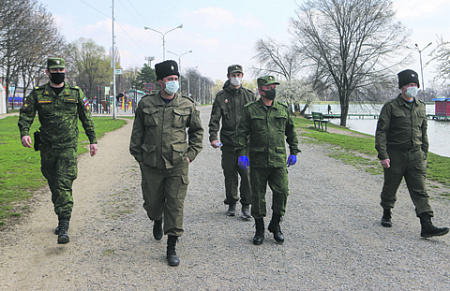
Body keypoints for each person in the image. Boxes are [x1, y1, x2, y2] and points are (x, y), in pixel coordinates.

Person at [129, 60, 204, 266]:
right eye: (169, 79)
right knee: (152, 204)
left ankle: (171, 246)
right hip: (151, 164)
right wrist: (140, 158)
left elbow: (197, 132)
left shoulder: (187, 105)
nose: (174, 82)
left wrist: (190, 154)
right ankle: (156, 218)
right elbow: (138, 133)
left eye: (176, 79)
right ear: (160, 82)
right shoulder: (146, 104)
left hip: (177, 164)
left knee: (175, 204)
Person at [18, 58, 98, 244]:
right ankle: (61, 215)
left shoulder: (75, 93)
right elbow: (26, 114)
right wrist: (24, 133)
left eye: (61, 69)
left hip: (68, 147)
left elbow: (86, 118)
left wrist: (93, 140)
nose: (58, 72)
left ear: (65, 71)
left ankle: (64, 224)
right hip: (47, 147)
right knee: (54, 183)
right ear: (48, 72)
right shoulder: (38, 93)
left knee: (63, 183)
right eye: (54, 69)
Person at [375, 69, 449, 238]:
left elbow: (423, 133)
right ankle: (387, 212)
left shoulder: (421, 106)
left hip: (416, 155)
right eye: (409, 84)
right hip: (395, 155)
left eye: (415, 85)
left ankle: (426, 224)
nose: (412, 87)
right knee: (390, 187)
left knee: (420, 190)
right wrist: (383, 155)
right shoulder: (391, 107)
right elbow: (381, 132)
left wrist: (424, 155)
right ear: (402, 87)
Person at [235, 75, 300, 245]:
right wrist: (241, 152)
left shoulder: (283, 108)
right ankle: (259, 229)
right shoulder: (250, 110)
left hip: (278, 160)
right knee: (257, 196)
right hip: (258, 160)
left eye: (274, 87)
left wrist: (294, 151)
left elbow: (291, 131)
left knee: (282, 192)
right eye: (269, 88)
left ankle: (276, 225)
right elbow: (241, 133)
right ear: (260, 90)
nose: (273, 90)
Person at [208, 64, 256, 218]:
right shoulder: (221, 97)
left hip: (246, 144)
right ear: (228, 76)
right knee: (230, 175)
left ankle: (246, 205)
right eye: (233, 75)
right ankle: (231, 203)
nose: (236, 78)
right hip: (228, 144)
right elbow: (214, 119)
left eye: (239, 74)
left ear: (243, 76)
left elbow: (256, 120)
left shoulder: (249, 96)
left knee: (247, 175)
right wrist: (213, 138)